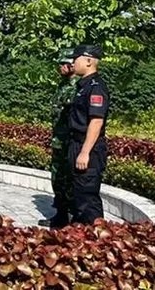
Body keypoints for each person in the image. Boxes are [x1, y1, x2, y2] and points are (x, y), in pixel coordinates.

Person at [67, 45, 110, 225]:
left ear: (89, 61)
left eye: (76, 58)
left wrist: (84, 152)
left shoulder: (96, 87)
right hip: (76, 143)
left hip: (89, 147)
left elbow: (96, 121)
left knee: (87, 198)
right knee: (77, 195)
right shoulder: (82, 86)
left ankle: (96, 239)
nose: (72, 62)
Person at [41, 48, 79, 228]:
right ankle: (61, 214)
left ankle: (71, 218)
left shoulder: (77, 86)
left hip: (69, 141)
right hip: (59, 140)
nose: (60, 68)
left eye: (63, 64)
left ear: (72, 65)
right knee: (57, 178)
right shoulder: (63, 85)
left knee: (69, 180)